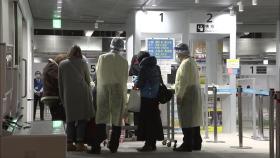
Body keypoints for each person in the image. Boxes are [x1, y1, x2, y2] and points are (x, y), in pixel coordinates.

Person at [89, 38, 128, 154]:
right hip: (118, 90)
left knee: (101, 116)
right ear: (121, 48)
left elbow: (97, 74)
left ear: (111, 46)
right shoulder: (124, 61)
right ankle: (113, 146)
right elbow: (124, 78)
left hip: (104, 90)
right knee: (117, 118)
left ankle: (96, 145)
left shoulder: (103, 58)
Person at [58, 45, 95, 152]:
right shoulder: (83, 63)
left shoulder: (62, 64)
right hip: (82, 94)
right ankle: (80, 144)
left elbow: (60, 84)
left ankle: (69, 143)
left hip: (68, 95)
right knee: (81, 120)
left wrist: (62, 98)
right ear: (80, 52)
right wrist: (90, 94)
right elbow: (88, 80)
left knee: (70, 120)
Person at [173, 43, 203, 152]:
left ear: (181, 53)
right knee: (194, 120)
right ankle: (196, 143)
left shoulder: (185, 63)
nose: (177, 55)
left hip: (187, 94)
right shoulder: (192, 62)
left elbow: (183, 81)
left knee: (187, 120)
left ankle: (187, 144)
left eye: (177, 52)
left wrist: (180, 95)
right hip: (193, 93)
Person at [135, 51, 164, 152]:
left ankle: (148, 144)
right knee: (154, 121)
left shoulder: (144, 68)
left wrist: (136, 83)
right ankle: (153, 144)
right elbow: (161, 82)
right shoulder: (156, 67)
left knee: (146, 122)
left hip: (146, 98)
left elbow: (140, 84)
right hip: (155, 98)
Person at [41, 54, 67, 121]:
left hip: (51, 96)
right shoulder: (53, 67)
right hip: (54, 96)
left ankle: (58, 130)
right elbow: (58, 80)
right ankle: (58, 131)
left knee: (56, 118)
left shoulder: (49, 66)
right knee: (58, 119)